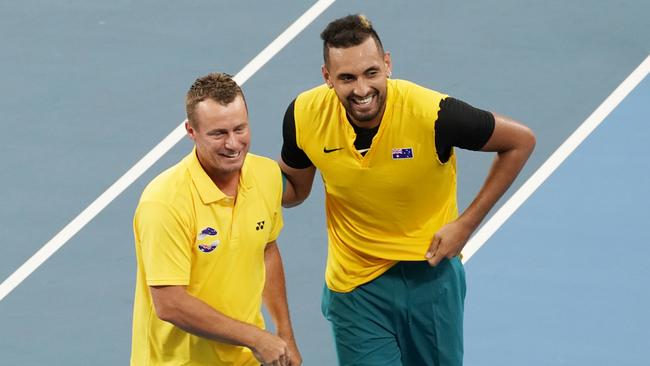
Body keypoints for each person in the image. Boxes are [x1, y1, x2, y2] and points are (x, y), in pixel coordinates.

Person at [279, 14, 535, 366]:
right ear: (327, 77)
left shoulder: (433, 113)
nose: (362, 90)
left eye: (371, 73)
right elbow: (294, 189)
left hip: (431, 279)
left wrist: (466, 225)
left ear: (387, 64)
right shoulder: (303, 114)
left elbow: (520, 141)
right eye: (346, 78)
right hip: (356, 288)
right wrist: (240, 180)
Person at [131, 72, 301, 366]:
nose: (233, 144)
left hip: (244, 358)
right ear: (191, 131)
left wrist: (284, 333)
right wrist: (256, 338)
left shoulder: (267, 176)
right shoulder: (165, 201)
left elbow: (266, 251)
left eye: (240, 128)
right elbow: (169, 303)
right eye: (218, 133)